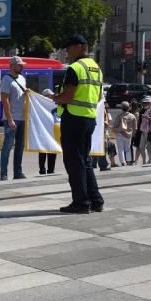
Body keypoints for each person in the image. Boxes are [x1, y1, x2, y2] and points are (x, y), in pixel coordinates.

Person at [53, 34, 105, 214]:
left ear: (79, 47)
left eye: (69, 47)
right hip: (89, 119)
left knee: (74, 162)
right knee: (85, 161)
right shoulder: (96, 68)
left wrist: (55, 98)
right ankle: (96, 200)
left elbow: (68, 96)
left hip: (74, 119)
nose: (67, 51)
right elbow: (99, 97)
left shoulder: (75, 68)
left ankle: (81, 202)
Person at [0, 56, 28, 181]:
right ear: (12, 65)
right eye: (19, 65)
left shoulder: (22, 78)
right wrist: (10, 119)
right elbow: (4, 99)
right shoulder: (6, 79)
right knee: (7, 146)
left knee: (20, 146)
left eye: (22, 65)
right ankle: (4, 173)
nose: (22, 67)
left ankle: (18, 171)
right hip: (12, 118)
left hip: (22, 118)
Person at [38, 89, 57, 175]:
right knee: (43, 150)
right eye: (49, 95)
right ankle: (42, 169)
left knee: (53, 149)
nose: (51, 97)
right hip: (43, 130)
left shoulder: (53, 104)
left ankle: (51, 169)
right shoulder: (40, 106)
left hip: (52, 130)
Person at [112, 101, 136, 167]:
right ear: (128, 108)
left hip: (120, 134)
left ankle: (123, 162)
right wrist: (132, 134)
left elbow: (115, 126)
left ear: (121, 108)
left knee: (121, 149)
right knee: (128, 149)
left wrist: (114, 129)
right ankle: (128, 161)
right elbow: (135, 128)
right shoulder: (132, 116)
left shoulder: (119, 116)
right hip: (129, 135)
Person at [137, 96, 151, 165]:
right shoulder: (146, 110)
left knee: (149, 147)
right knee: (141, 146)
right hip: (143, 130)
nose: (144, 104)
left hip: (149, 131)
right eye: (144, 103)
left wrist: (148, 118)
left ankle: (150, 160)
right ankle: (144, 161)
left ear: (150, 103)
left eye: (146, 103)